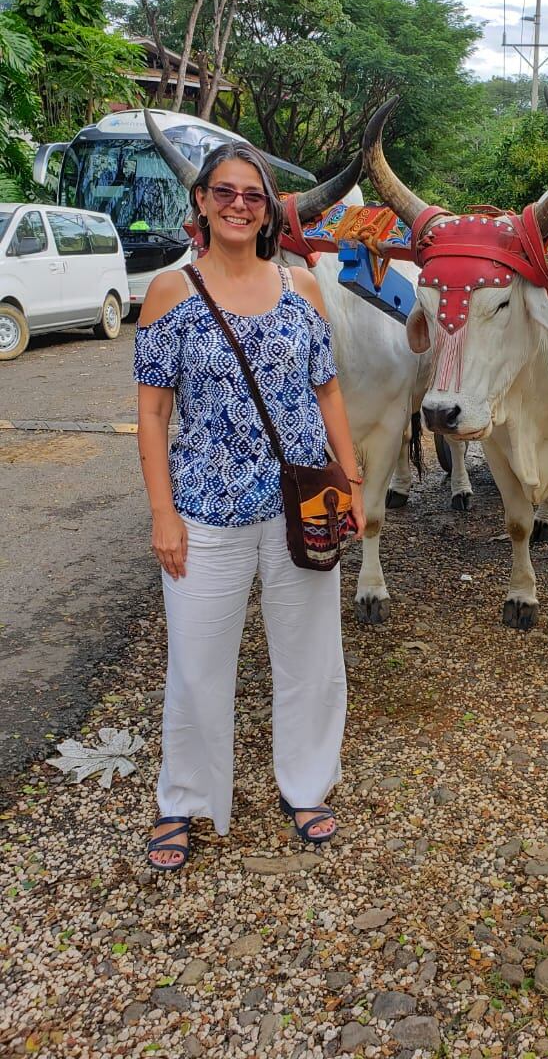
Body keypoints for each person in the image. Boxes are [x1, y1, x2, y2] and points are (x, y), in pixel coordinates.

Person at [134, 141, 365, 871]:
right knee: (198, 664)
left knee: (311, 659)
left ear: (269, 211)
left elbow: (327, 389)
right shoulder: (171, 292)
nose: (239, 205)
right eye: (225, 193)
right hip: (205, 511)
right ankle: (187, 799)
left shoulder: (303, 288)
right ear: (201, 201)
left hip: (302, 503)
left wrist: (351, 483)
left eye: (253, 196)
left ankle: (305, 785)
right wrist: (162, 514)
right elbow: (152, 415)